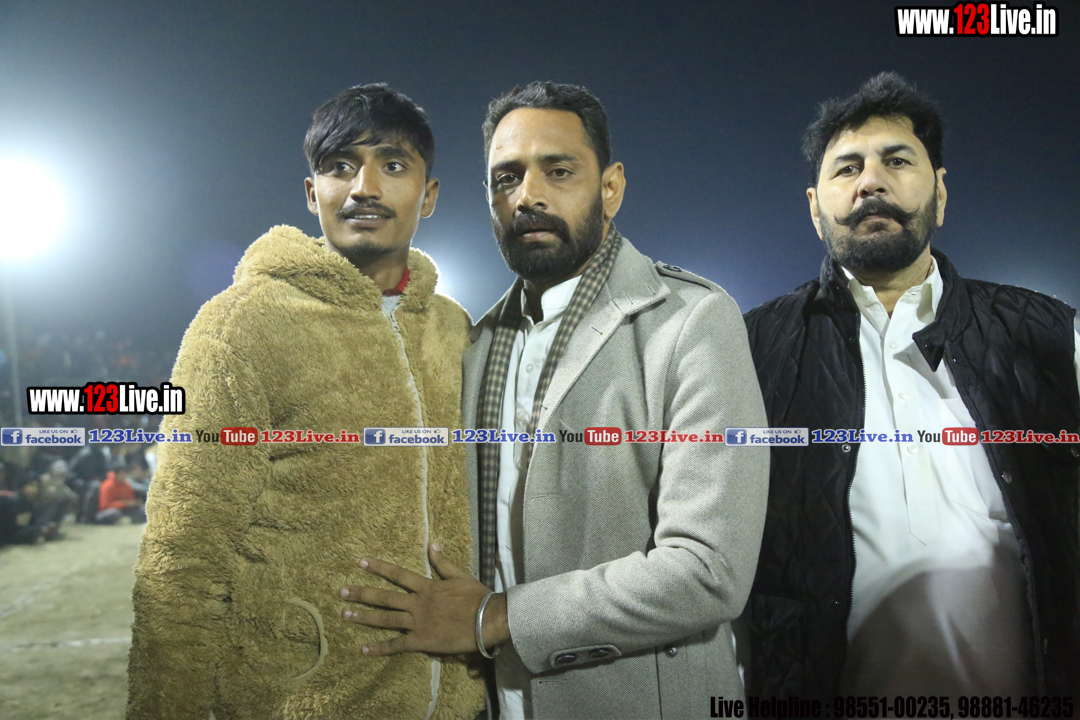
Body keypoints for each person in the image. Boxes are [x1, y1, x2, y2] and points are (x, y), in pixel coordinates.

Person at [339, 81, 769, 720]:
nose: (528, 196)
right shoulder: (475, 341)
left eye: (558, 171)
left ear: (611, 188)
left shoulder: (691, 322)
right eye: (506, 178)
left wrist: (494, 617)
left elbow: (708, 571)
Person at [127, 84, 485, 720]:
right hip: (298, 700)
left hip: (456, 703)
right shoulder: (242, 325)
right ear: (312, 192)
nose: (364, 187)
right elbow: (183, 551)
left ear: (428, 195)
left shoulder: (454, 329)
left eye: (392, 165)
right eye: (340, 166)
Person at [742, 72, 1080, 700]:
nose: (871, 181)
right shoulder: (749, 347)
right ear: (815, 208)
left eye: (896, 161)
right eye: (847, 168)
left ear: (940, 193)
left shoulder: (1054, 336)